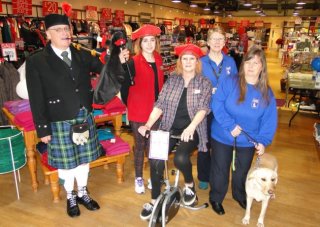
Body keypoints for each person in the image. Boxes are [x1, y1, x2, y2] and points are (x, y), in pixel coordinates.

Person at [25, 14, 129, 218]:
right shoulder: (36, 61)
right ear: (48, 34)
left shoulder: (81, 53)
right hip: (58, 119)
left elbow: (103, 69)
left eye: (67, 29)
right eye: (59, 30)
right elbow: (36, 97)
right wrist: (42, 128)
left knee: (83, 160)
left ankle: (82, 191)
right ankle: (70, 195)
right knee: (66, 163)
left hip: (84, 114)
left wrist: (117, 60)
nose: (65, 33)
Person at [137, 44, 212, 220]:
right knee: (155, 161)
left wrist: (191, 127)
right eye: (184, 58)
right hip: (169, 127)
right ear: (180, 61)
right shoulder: (173, 80)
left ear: (197, 62)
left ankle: (189, 185)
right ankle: (155, 199)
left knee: (180, 158)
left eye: (191, 58)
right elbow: (160, 103)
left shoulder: (204, 82)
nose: (188, 62)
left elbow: (203, 108)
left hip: (192, 129)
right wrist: (148, 125)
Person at [209, 46, 278, 215]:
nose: (251, 66)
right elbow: (216, 104)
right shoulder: (229, 81)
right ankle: (216, 198)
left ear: (262, 67)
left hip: (248, 140)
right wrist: (230, 125)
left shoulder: (266, 92)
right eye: (248, 61)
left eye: (256, 63)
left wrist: (262, 141)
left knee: (242, 171)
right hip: (222, 134)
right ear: (243, 64)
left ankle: (239, 194)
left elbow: (269, 120)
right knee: (220, 169)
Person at [120, 24, 165, 194]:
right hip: (139, 111)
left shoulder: (159, 59)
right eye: (145, 41)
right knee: (140, 146)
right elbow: (124, 88)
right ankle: (138, 177)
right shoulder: (132, 62)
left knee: (155, 146)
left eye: (152, 40)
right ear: (139, 43)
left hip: (157, 111)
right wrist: (132, 105)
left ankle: (154, 176)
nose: (149, 44)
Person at [199, 27, 238, 190]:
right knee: (204, 143)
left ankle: (218, 175)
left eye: (220, 39)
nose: (217, 42)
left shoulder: (230, 62)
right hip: (205, 109)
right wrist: (208, 91)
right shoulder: (200, 62)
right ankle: (203, 176)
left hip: (224, 110)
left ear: (224, 42)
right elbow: (195, 85)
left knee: (221, 145)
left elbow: (236, 85)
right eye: (214, 39)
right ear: (208, 42)